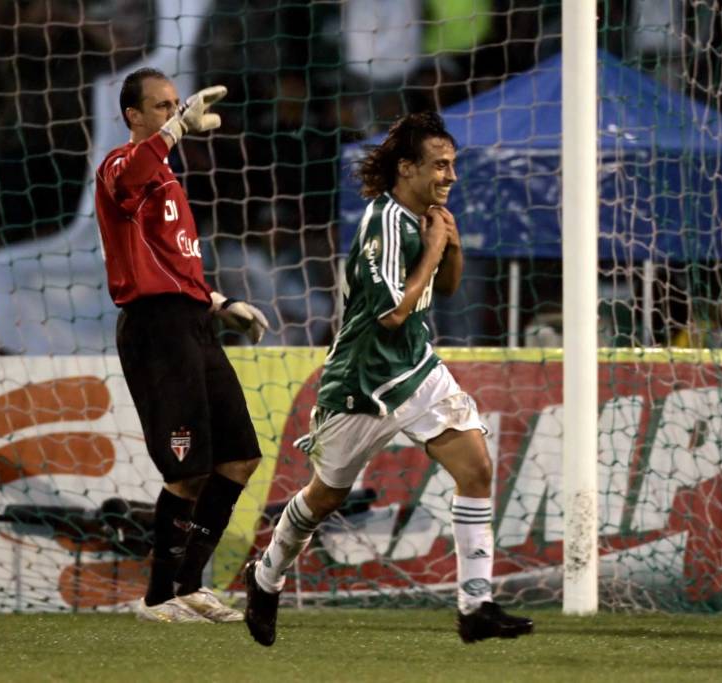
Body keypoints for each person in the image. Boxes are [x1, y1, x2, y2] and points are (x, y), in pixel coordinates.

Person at [244, 111, 533, 645]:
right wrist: (435, 247)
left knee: (475, 468)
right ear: (406, 168)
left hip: (416, 368)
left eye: (452, 165)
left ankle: (476, 606)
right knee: (324, 498)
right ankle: (265, 577)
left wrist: (452, 244)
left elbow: (445, 289)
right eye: (439, 165)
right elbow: (391, 314)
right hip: (363, 382)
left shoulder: (426, 217)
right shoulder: (382, 223)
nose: (450, 175)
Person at [95, 67, 270, 623]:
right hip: (156, 329)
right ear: (133, 115)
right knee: (187, 470)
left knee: (239, 458)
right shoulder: (120, 165)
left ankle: (190, 585)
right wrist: (175, 132)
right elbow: (131, 179)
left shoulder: (166, 179)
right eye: (162, 106)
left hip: (193, 322)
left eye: (177, 105)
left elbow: (171, 264)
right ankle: (157, 597)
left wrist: (219, 302)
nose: (175, 113)